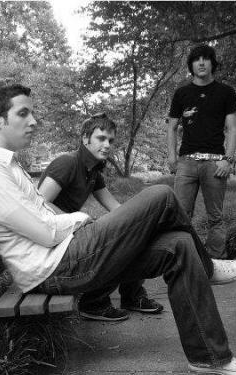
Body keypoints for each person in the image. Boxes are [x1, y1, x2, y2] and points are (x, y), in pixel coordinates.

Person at [0, 83, 236, 375]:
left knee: (178, 245)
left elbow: (44, 216)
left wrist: (102, 224)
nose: (33, 121)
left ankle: (209, 358)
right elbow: (44, 232)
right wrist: (81, 219)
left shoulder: (5, 165)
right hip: (55, 267)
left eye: (32, 113)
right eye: (23, 113)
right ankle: (208, 269)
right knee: (161, 195)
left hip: (64, 255)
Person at [38, 113, 163, 321]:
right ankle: (94, 303)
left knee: (136, 231)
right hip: (55, 243)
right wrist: (76, 221)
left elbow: (117, 209)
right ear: (85, 138)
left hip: (70, 235)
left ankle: (132, 296)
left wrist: (139, 220)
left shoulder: (93, 172)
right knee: (119, 244)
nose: (107, 145)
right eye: (101, 138)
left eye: (110, 141)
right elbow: (40, 204)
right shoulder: (67, 163)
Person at [167, 44, 236, 259]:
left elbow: (233, 128)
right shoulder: (181, 93)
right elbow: (171, 127)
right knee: (180, 215)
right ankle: (183, 259)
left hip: (215, 164)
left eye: (205, 58)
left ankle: (216, 259)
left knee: (215, 217)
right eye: (196, 59)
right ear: (191, 65)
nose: (201, 62)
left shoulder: (226, 92)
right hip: (186, 163)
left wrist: (228, 160)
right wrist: (172, 157)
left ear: (212, 63)